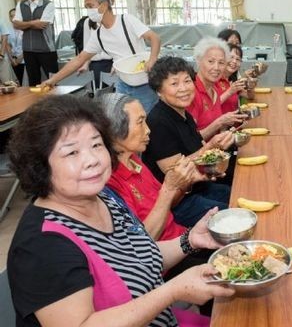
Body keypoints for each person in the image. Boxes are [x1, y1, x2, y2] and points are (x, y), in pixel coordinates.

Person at [7, 94, 234, 327]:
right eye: (72, 152)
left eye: (96, 144)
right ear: (39, 166)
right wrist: (172, 291)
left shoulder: (105, 198)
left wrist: (190, 240)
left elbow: (139, 259)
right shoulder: (42, 245)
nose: (92, 160)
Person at [98, 93, 213, 240]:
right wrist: (169, 189)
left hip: (182, 236)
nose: (148, 130)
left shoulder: (133, 159)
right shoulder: (110, 184)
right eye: (140, 122)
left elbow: (167, 204)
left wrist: (186, 181)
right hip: (166, 253)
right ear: (114, 131)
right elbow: (143, 242)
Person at [143, 56, 233, 226]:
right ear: (159, 91)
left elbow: (196, 146)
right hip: (177, 203)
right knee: (234, 215)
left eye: (187, 81)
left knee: (239, 195)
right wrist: (211, 147)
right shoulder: (158, 122)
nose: (183, 89)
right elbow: (176, 171)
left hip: (197, 187)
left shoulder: (183, 113)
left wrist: (215, 154)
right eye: (174, 84)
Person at [43, 0, 160, 113]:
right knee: (123, 121)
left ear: (104, 6)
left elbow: (154, 38)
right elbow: (79, 59)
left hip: (143, 81)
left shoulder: (126, 20)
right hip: (122, 83)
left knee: (147, 120)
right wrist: (52, 80)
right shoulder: (98, 34)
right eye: (86, 7)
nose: (88, 11)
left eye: (90, 6)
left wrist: (152, 59)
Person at [187, 37, 247, 140]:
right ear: (199, 61)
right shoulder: (191, 92)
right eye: (211, 61)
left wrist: (229, 130)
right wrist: (220, 122)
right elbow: (191, 140)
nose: (216, 68)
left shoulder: (214, 89)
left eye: (221, 63)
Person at [12, 0, 58, 86]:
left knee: (53, 81)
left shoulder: (48, 4)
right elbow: (16, 25)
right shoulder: (21, 4)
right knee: (33, 83)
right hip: (28, 50)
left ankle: (57, 103)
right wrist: (33, 23)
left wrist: (24, 24)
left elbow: (42, 25)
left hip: (46, 50)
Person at [71, 0, 115, 88]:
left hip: (116, 63)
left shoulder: (117, 20)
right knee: (102, 97)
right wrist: (86, 64)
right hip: (98, 65)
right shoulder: (89, 22)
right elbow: (88, 48)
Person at [217, 43, 246, 113]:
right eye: (231, 57)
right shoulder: (213, 79)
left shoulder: (231, 78)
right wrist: (230, 91)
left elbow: (250, 96)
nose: (234, 61)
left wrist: (251, 84)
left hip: (234, 122)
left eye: (238, 59)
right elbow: (211, 107)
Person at [7, 8, 25, 85]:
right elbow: (7, 46)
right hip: (12, 60)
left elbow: (27, 46)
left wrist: (20, 59)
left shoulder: (25, 29)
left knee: (26, 82)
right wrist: (12, 59)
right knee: (17, 83)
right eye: (11, 16)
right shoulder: (7, 30)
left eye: (15, 15)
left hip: (24, 59)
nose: (13, 18)